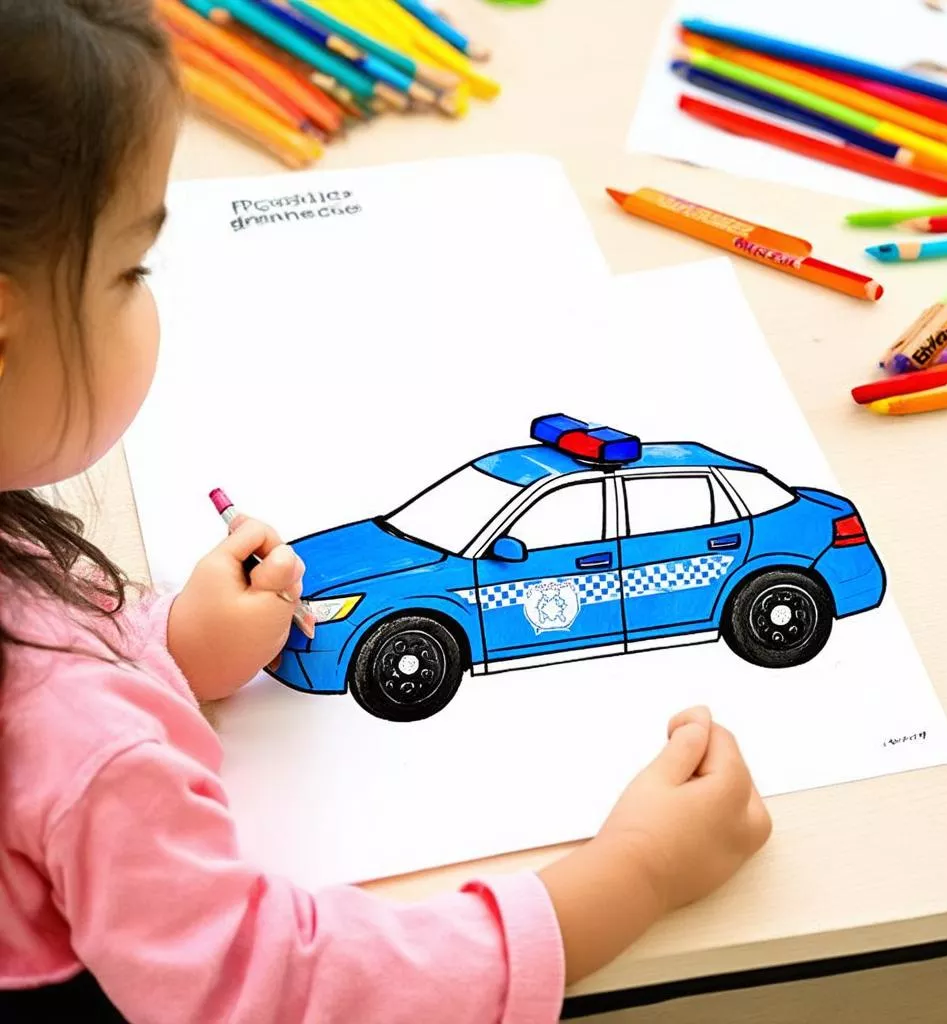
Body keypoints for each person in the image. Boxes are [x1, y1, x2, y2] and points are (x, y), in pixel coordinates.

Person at [0, 2, 771, 1020]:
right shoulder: (76, 732)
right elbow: (270, 982)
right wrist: (630, 874)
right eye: (131, 268)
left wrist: (173, 646)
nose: (154, 300)